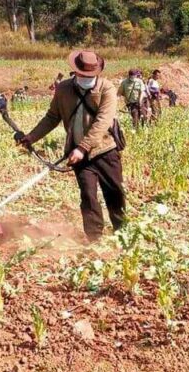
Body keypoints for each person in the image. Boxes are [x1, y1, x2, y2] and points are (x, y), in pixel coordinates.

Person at [16, 50, 125, 242]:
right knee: (88, 196)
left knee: (114, 192)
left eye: (90, 76)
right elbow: (52, 117)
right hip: (77, 153)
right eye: (83, 75)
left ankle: (122, 232)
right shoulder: (64, 89)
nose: (86, 78)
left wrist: (82, 148)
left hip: (105, 150)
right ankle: (94, 238)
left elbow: (102, 121)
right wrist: (32, 137)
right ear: (76, 71)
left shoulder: (107, 88)